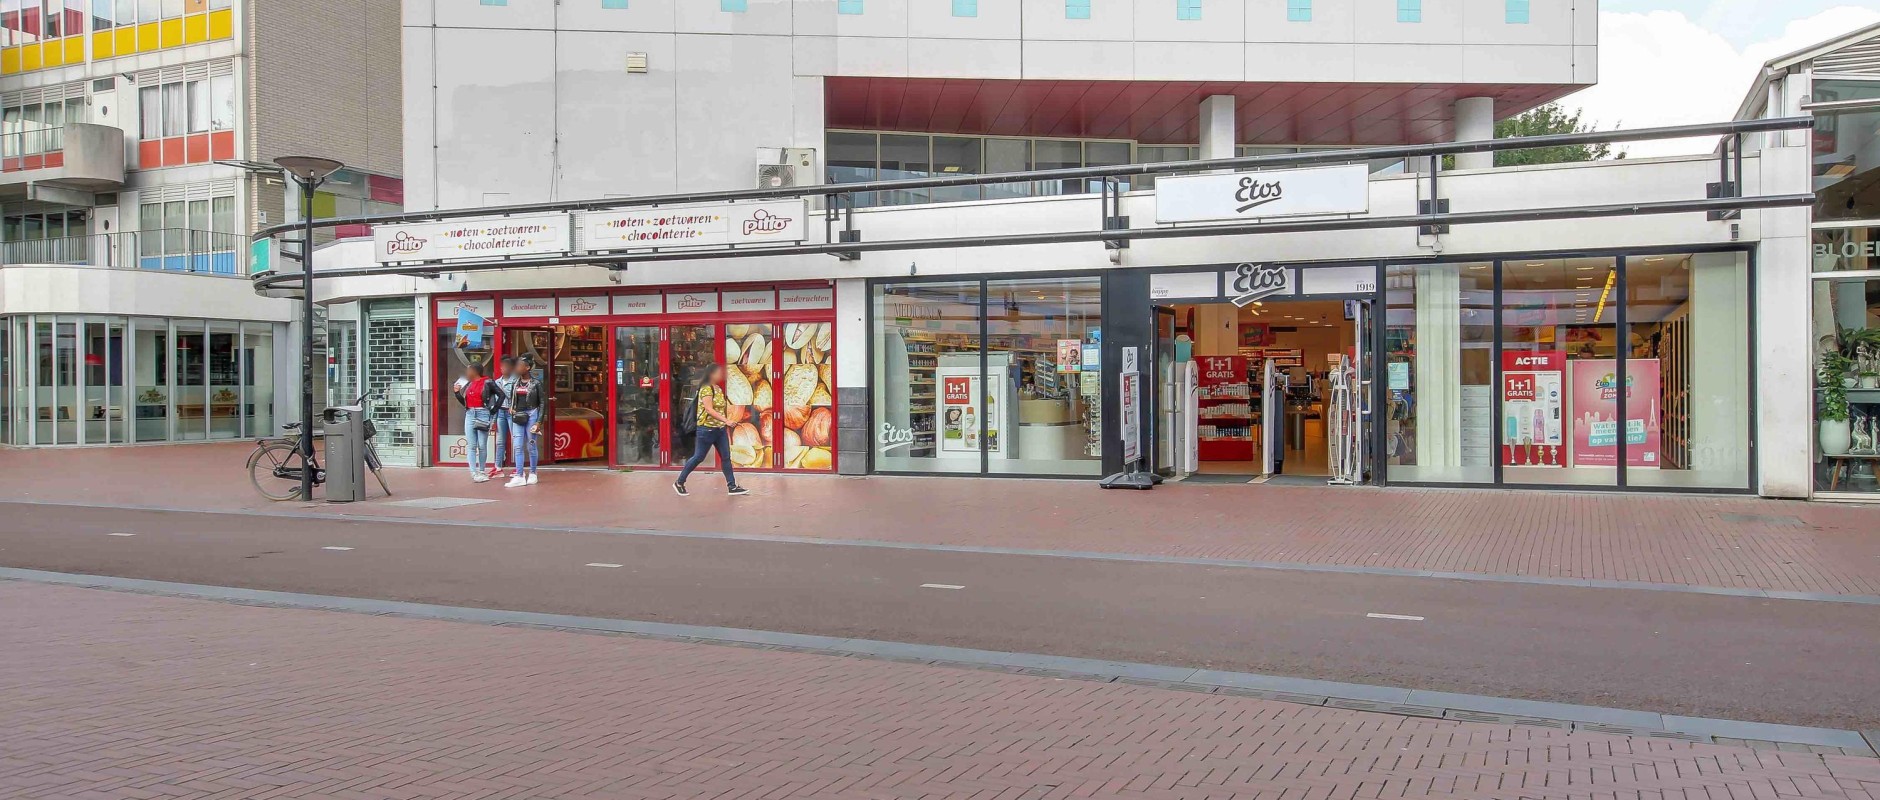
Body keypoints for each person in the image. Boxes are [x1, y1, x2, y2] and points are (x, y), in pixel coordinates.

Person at [674, 363, 748, 497]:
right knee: (698, 457)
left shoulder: (718, 389)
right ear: (711, 374)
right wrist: (726, 420)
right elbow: (709, 409)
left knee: (726, 457)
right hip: (706, 429)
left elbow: (720, 409)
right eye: (718, 373)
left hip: (719, 430)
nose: (721, 375)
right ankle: (679, 482)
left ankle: (732, 486)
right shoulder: (706, 389)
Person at [453, 361, 502, 482]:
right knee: (471, 445)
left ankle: (482, 471)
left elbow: (501, 395)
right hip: (470, 414)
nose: (467, 373)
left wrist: (494, 410)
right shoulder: (468, 384)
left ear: (475, 371)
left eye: (468, 370)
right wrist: (457, 393)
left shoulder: (488, 382)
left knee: (482, 445)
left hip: (483, 413)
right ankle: (474, 473)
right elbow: (465, 403)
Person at [505, 354, 545, 488]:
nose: (517, 368)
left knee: (531, 445)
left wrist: (539, 422)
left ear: (527, 368)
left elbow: (543, 403)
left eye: (520, 366)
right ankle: (519, 475)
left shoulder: (536, 383)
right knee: (517, 445)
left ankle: (533, 473)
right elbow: (511, 398)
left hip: (532, 414)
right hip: (518, 415)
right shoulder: (515, 382)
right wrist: (511, 407)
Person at [488, 355, 517, 479]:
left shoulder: (516, 381)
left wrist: (502, 393)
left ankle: (518, 468)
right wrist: (493, 421)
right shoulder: (497, 382)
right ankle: (498, 467)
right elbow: (495, 401)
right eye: (502, 367)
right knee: (500, 441)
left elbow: (515, 397)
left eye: (507, 366)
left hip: (511, 412)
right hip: (500, 412)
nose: (504, 369)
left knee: (516, 440)